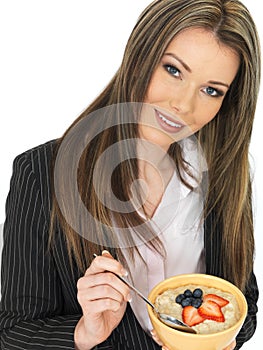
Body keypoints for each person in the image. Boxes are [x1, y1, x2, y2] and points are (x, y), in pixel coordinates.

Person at [0, 0, 261, 349]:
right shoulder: (42, 173)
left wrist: (220, 341)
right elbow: (15, 333)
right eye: (173, 70)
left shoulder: (226, 174)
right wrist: (84, 333)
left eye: (211, 90)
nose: (184, 105)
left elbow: (244, 306)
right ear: (140, 54)